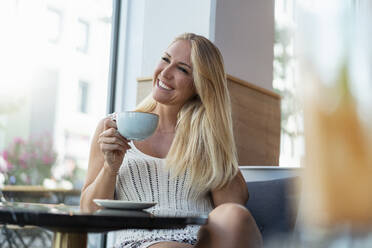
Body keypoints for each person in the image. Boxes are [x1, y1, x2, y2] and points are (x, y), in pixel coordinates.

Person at [80, 33, 262, 248]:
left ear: (200, 86)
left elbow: (232, 213)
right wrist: (111, 167)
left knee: (234, 215)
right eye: (166, 59)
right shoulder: (112, 128)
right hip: (141, 242)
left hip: (203, 241)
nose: (165, 73)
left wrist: (214, 141)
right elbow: (89, 212)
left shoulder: (205, 139)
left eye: (182, 69)